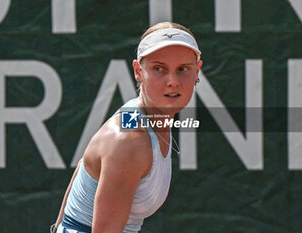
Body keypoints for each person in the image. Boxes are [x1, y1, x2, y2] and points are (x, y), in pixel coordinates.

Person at [51, 22, 203, 233]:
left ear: (197, 72)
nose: (172, 81)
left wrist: (58, 228)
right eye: (159, 68)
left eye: (183, 69)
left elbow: (83, 164)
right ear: (138, 71)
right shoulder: (130, 140)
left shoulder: (140, 117)